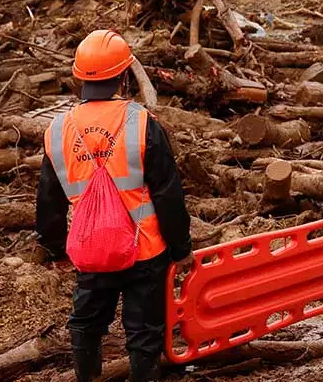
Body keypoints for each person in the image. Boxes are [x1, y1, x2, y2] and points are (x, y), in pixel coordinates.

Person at [37, 30, 192, 382]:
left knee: (87, 322)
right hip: (146, 250)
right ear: (124, 76)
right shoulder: (141, 123)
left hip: (92, 250)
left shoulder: (57, 129)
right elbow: (168, 192)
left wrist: (54, 249)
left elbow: (48, 198)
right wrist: (181, 248)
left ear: (78, 78)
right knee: (144, 330)